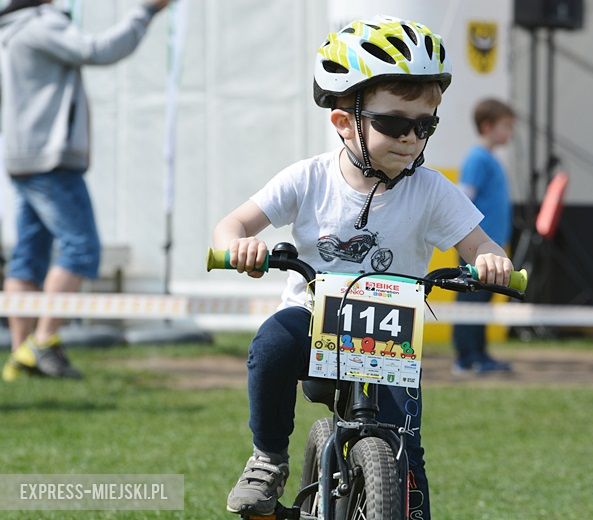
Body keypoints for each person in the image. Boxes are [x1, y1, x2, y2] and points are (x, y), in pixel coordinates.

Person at [212, 16, 515, 519]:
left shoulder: (432, 189)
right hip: (312, 322)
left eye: (426, 125)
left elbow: (482, 242)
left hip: (390, 334)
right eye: (396, 123)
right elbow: (235, 223)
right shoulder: (308, 179)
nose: (412, 139)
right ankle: (267, 458)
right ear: (343, 121)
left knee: (406, 456)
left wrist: (490, 260)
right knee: (270, 344)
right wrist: (238, 245)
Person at [0, 0, 170, 383]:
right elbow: (99, 50)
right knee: (82, 248)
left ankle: (19, 354)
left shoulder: (8, 29)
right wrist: (145, 11)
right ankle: (43, 342)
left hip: (21, 158)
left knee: (27, 257)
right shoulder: (39, 24)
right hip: (51, 161)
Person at [452, 98, 516, 374]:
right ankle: (466, 359)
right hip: (474, 250)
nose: (510, 132)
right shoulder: (478, 159)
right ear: (488, 126)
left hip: (490, 248)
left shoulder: (490, 159)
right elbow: (463, 199)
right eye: (506, 126)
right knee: (470, 301)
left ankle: (479, 354)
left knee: (482, 302)